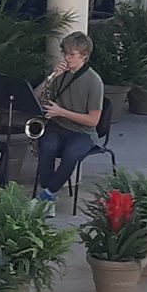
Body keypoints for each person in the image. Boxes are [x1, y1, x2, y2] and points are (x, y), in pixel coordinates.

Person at [34, 31, 105, 205]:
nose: (66, 58)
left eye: (71, 55)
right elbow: (36, 96)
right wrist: (52, 77)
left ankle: (47, 194)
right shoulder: (61, 74)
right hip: (57, 126)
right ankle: (48, 194)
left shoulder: (94, 81)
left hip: (83, 132)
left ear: (84, 55)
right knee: (46, 146)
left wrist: (62, 112)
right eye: (65, 53)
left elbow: (93, 121)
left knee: (71, 154)